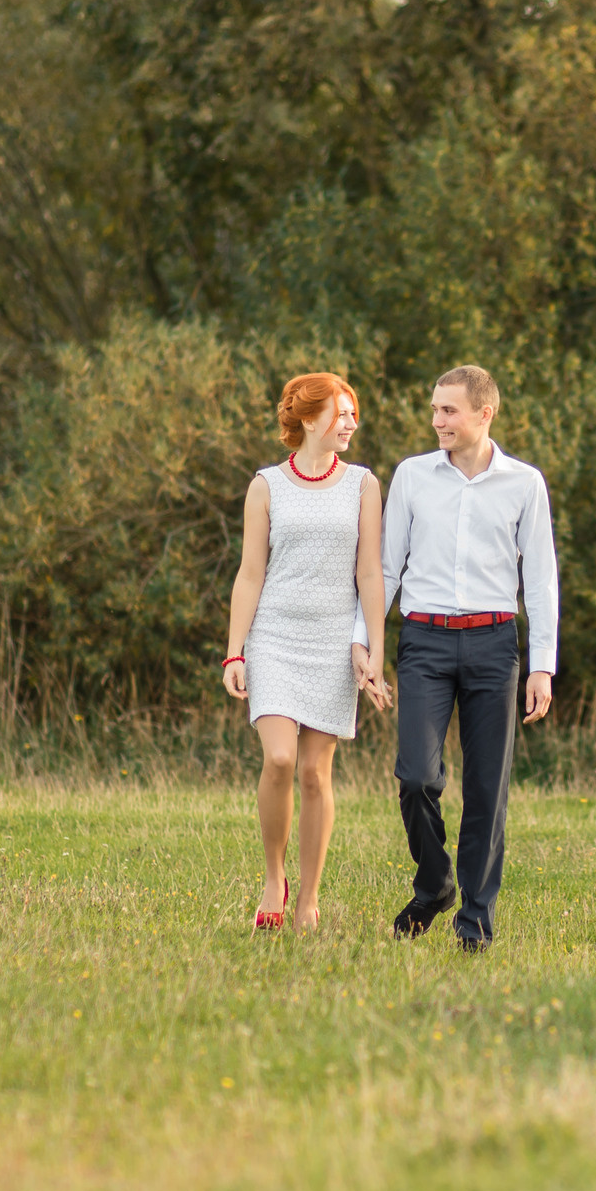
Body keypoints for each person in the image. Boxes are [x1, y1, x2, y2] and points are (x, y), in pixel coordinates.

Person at [379, 364, 558, 951]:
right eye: (434, 410)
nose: (437, 421)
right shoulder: (411, 476)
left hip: (494, 644)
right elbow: (385, 569)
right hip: (424, 641)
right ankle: (435, 883)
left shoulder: (524, 484)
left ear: (485, 413)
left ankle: (474, 924)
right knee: (415, 777)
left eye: (448, 411)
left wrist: (541, 665)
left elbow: (541, 578)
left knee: (487, 791)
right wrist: (367, 643)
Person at [222, 373, 392, 932]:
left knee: (317, 774)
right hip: (273, 635)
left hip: (332, 642)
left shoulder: (363, 484)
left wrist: (372, 647)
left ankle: (308, 899)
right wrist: (235, 652)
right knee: (279, 759)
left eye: (353, 414)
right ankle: (274, 877)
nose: (351, 423)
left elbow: (370, 572)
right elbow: (250, 574)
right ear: (310, 417)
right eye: (342, 413)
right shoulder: (266, 485)